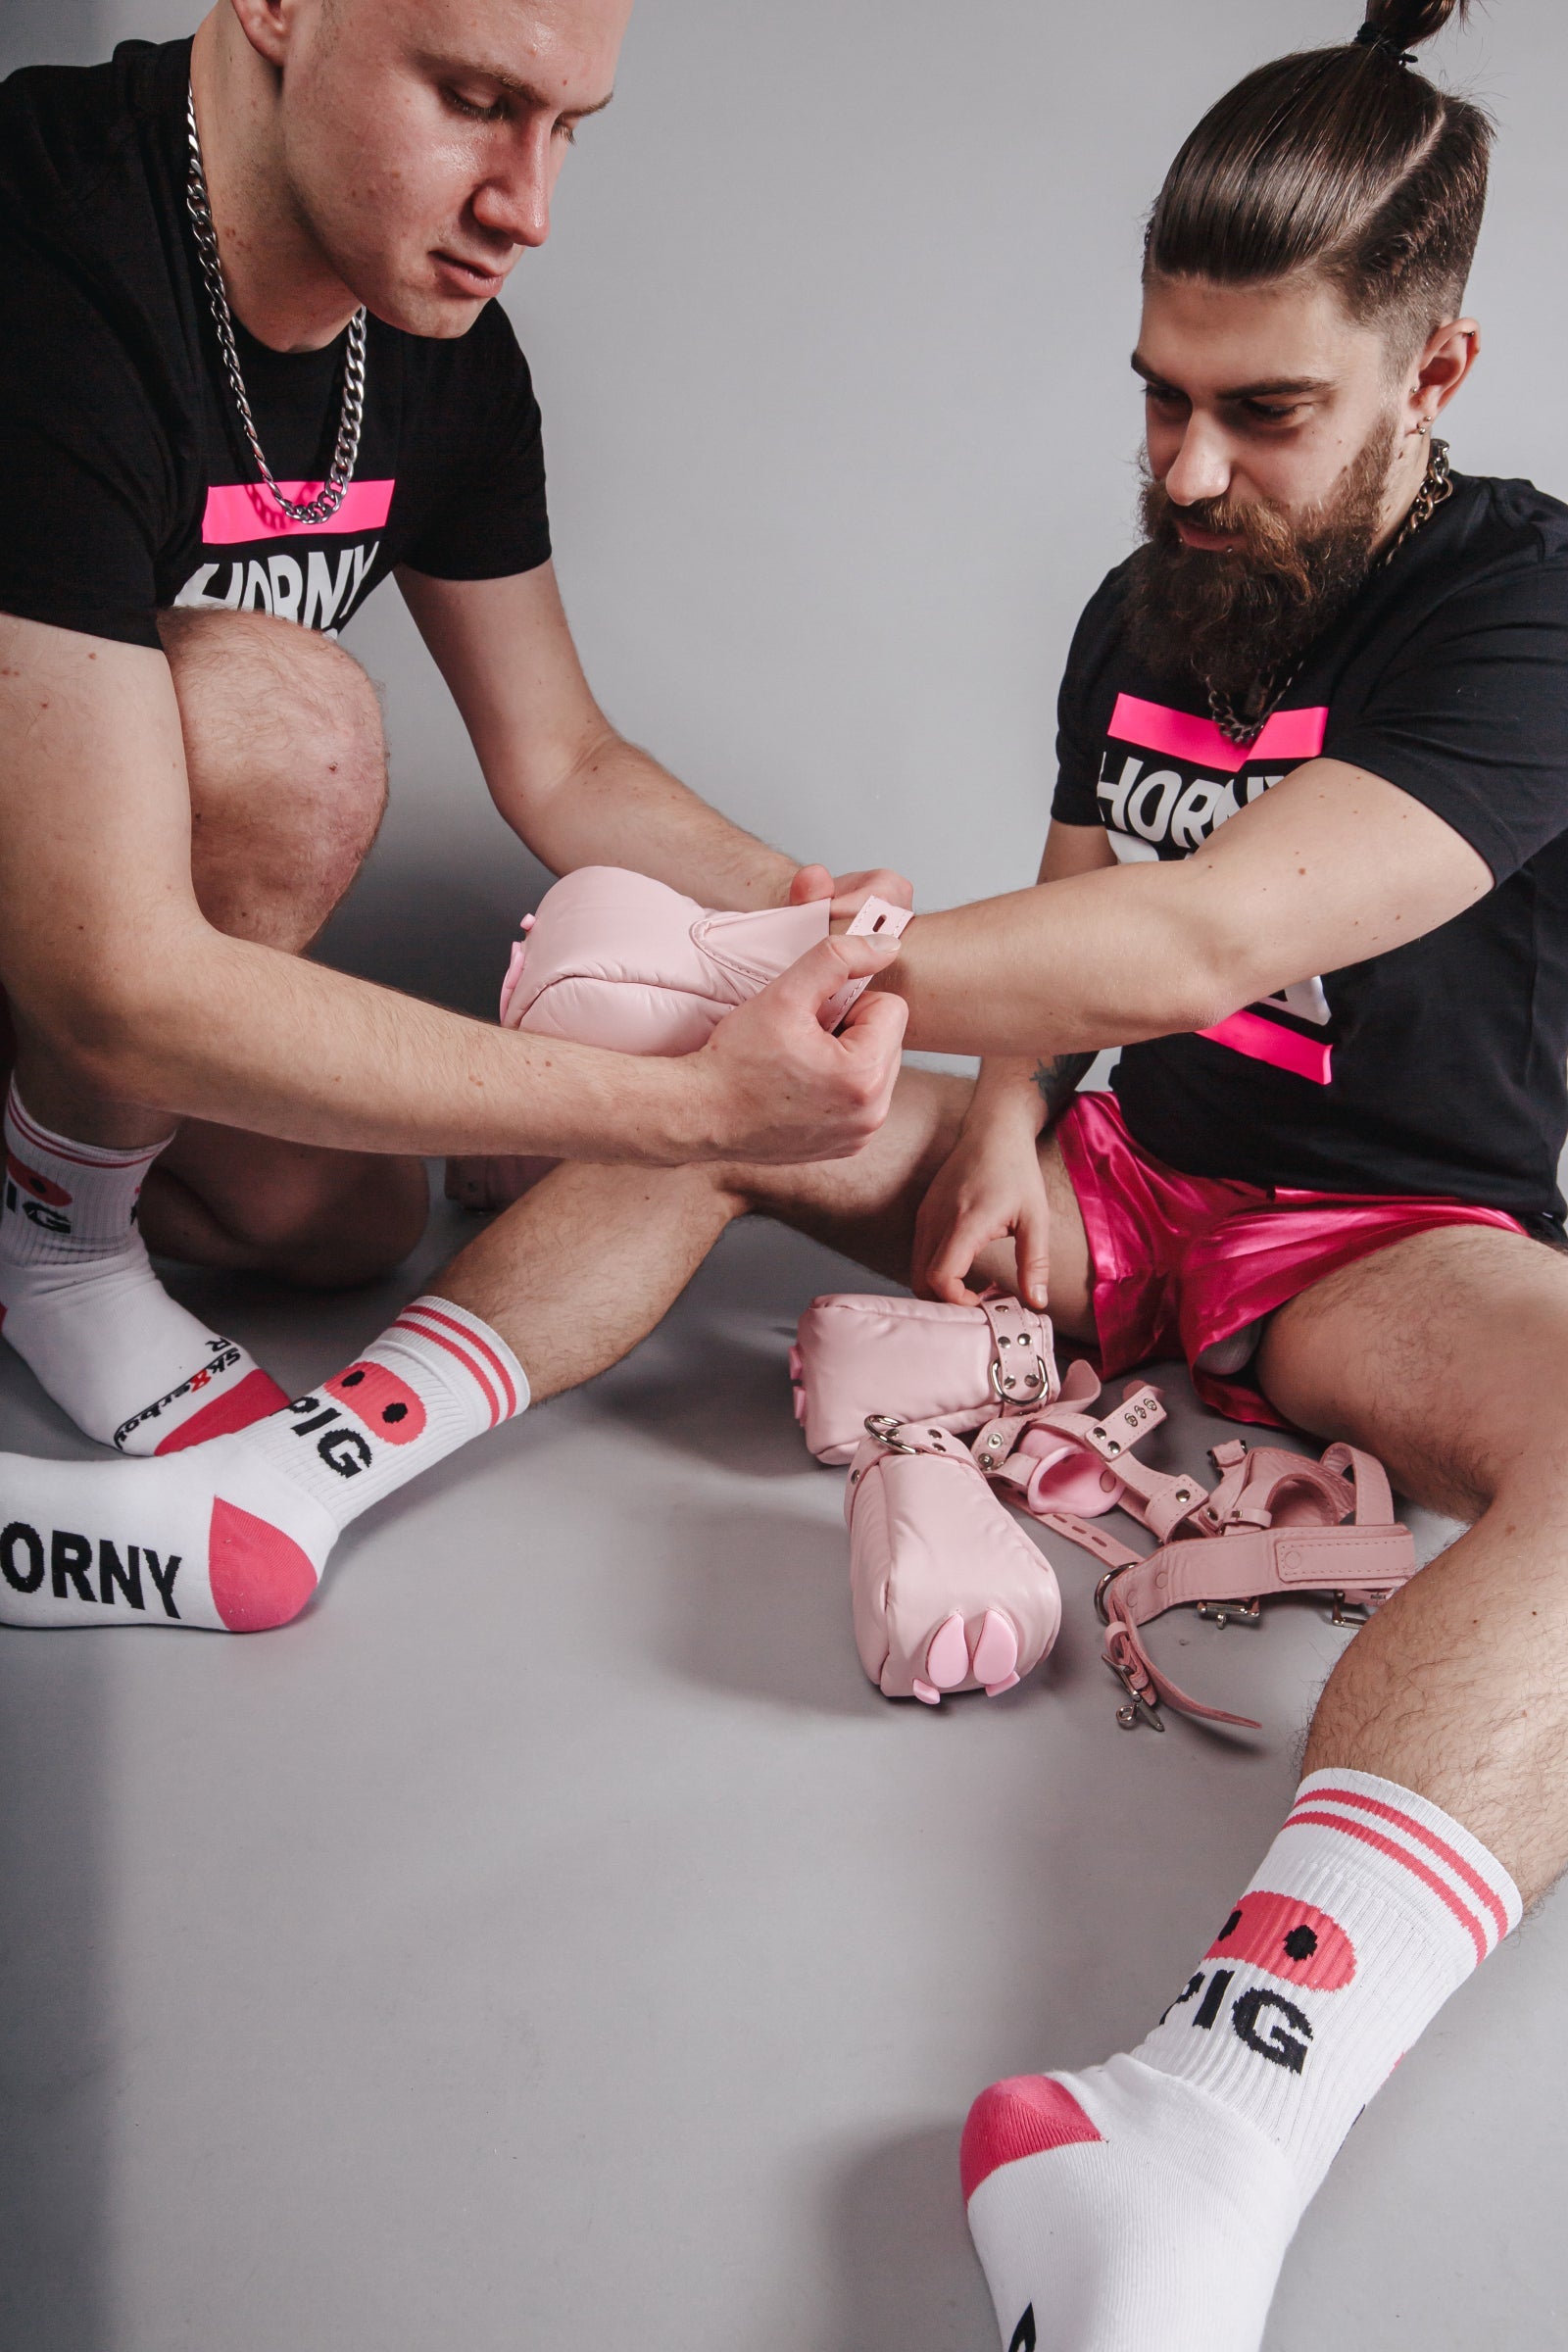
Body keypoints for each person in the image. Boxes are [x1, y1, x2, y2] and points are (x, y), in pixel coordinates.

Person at [2, 0, 1562, 2344]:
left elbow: (1204, 932)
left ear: (1431, 373)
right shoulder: (1152, 593)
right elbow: (1077, 924)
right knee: (737, 1108)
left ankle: (1206, 2117)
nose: (1184, 468)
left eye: (1260, 412)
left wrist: (774, 961)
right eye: (1154, 394)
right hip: (1114, 1172)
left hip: (1374, 1237)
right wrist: (995, 1119)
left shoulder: (1519, 609)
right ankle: (287, 1494)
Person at [0, 0, 908, 1462]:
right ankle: (57, 1244)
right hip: (77, 946)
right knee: (289, 730)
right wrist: (691, 1111)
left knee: (350, 1216)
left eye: (566, 129)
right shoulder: (44, 244)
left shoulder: (434, 341)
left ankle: (45, 1153)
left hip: (71, 928)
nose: (526, 208)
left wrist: (827, 923)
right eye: (477, 100)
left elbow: (563, 760)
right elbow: (113, 977)